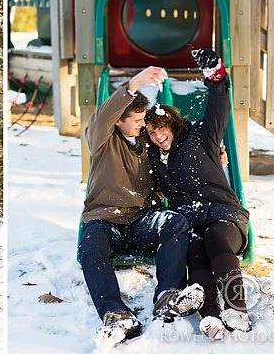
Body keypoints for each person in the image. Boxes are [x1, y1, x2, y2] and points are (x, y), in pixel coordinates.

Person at [77, 66, 204, 343]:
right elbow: (101, 117)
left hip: (142, 219)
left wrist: (213, 157)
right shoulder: (103, 140)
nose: (141, 124)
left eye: (142, 119)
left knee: (175, 223)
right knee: (89, 247)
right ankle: (116, 314)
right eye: (135, 119)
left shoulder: (148, 142)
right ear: (118, 121)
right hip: (106, 218)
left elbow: (178, 141)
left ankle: (167, 296)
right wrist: (133, 84)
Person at [144, 49, 251, 340]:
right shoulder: (154, 159)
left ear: (172, 124)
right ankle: (212, 317)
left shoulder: (200, 137)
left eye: (160, 128)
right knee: (195, 253)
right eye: (151, 133)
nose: (157, 136)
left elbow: (219, 106)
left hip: (224, 214)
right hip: (190, 222)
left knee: (215, 239)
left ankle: (237, 309)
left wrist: (215, 76)